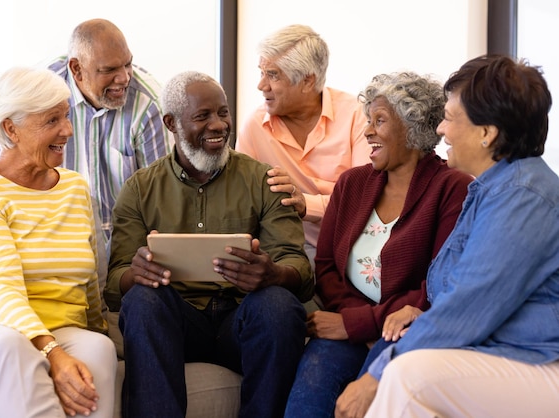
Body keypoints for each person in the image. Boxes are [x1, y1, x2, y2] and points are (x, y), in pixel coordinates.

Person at [335, 55, 559, 418]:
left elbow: (470, 305)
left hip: (541, 360)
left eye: (450, 119)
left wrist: (374, 376)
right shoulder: (492, 190)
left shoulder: (524, 198)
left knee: (405, 376)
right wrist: (421, 318)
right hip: (507, 351)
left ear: (487, 133)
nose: (440, 129)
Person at [105, 71, 313, 418]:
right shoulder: (140, 189)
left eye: (224, 113)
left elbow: (301, 271)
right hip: (178, 326)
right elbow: (115, 286)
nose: (218, 125)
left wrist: (274, 274)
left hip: (242, 324)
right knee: (142, 299)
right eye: (203, 116)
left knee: (278, 304)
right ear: (170, 122)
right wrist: (136, 273)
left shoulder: (263, 180)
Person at [284, 71, 473, 418]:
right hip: (347, 323)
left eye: (379, 121)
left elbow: (437, 285)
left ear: (413, 127)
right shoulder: (351, 184)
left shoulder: (453, 188)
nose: (367, 131)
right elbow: (325, 266)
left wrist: (361, 325)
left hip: (405, 331)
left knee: (366, 404)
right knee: (307, 400)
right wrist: (353, 322)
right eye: (367, 120)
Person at [0, 67, 117, 417]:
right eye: (51, 121)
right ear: (10, 128)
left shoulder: (75, 188)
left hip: (58, 324)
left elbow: (89, 281)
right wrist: (53, 353)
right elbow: (2, 293)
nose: (67, 130)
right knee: (8, 345)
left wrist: (101, 328)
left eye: (66, 115)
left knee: (97, 349)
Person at [0, 18, 171, 244]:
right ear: (76, 69)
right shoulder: (43, 89)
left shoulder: (148, 103)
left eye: (128, 64)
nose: (124, 77)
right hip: (53, 237)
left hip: (127, 244)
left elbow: (161, 198)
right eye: (110, 69)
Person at [236, 24, 371, 266]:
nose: (261, 85)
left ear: (308, 82)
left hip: (357, 247)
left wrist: (306, 204)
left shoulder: (357, 116)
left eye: (273, 74)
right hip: (290, 250)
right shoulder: (255, 126)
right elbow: (240, 203)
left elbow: (366, 197)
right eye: (261, 72)